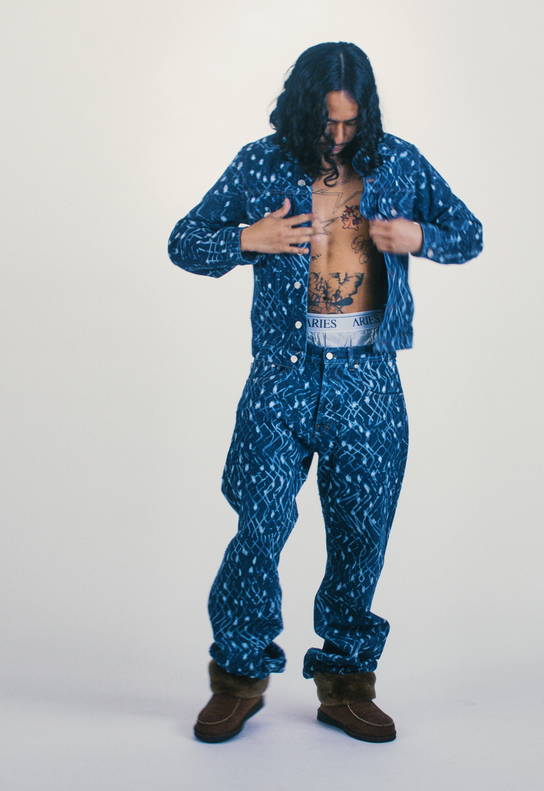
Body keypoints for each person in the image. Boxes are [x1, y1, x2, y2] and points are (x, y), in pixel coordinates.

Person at [168, 41, 483, 744]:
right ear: (301, 110)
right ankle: (237, 679)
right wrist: (245, 239)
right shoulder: (259, 163)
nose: (338, 136)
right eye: (326, 122)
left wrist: (420, 235)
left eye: (350, 122)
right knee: (258, 528)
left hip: (368, 381)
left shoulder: (398, 161)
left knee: (360, 537)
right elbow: (183, 241)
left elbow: (469, 234)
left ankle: (346, 684)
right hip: (280, 378)